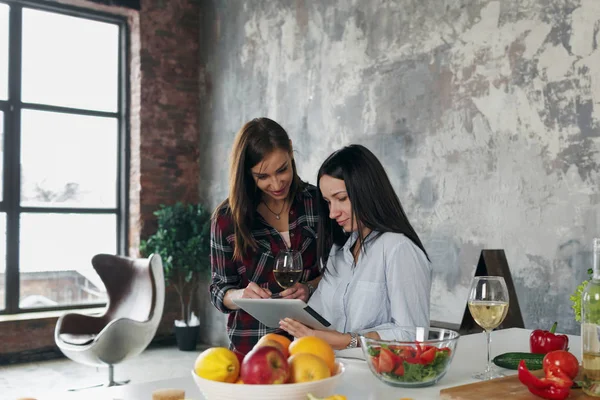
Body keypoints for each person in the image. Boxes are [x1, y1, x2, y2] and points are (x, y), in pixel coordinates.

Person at [279, 144, 432, 350]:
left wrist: (347, 340)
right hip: (330, 369)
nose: (333, 213)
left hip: (376, 374)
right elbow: (320, 317)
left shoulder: (398, 249)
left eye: (341, 199)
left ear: (367, 192)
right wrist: (291, 315)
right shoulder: (340, 251)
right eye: (328, 202)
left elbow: (412, 334)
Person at [209, 117, 323, 356]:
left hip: (312, 342)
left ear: (291, 150)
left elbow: (340, 271)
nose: (276, 183)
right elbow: (219, 290)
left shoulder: (317, 203)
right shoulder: (227, 219)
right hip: (252, 347)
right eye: (262, 176)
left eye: (282, 169)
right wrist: (241, 295)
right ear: (247, 174)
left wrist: (310, 288)